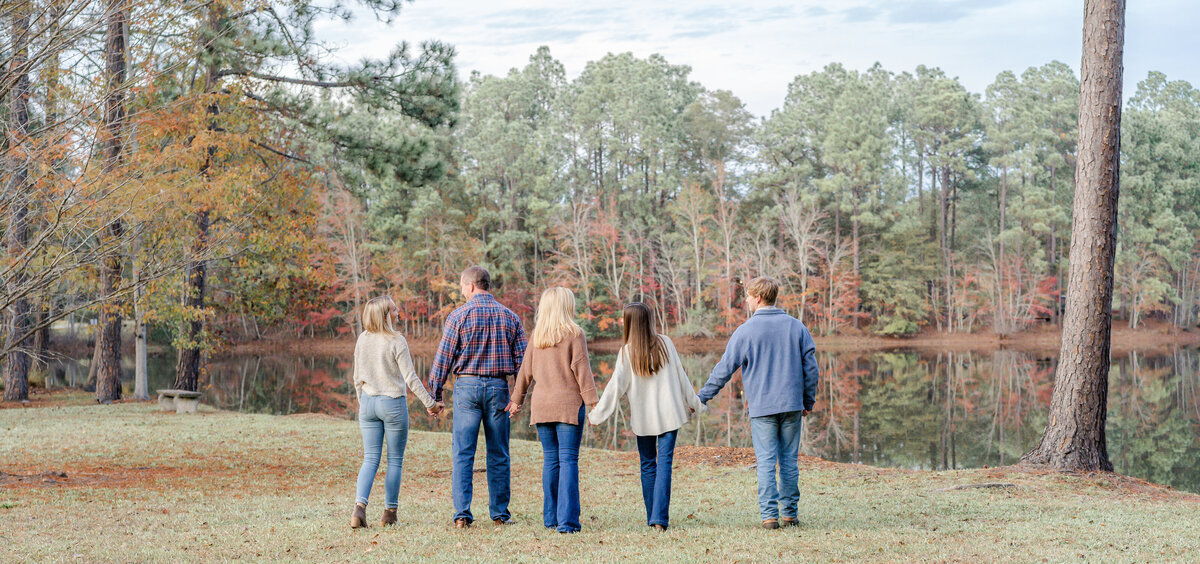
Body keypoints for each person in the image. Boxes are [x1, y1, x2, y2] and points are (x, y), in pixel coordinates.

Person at [697, 276, 820, 530]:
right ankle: (790, 514)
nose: (746, 300)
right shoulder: (796, 327)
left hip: (762, 408)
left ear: (759, 298)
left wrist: (702, 397)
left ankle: (769, 517)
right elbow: (812, 369)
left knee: (765, 460)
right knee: (788, 460)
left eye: (749, 296)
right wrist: (808, 401)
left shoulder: (745, 331)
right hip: (792, 405)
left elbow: (724, 370)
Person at [588, 302, 705, 531]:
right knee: (664, 464)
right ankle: (659, 519)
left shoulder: (627, 352)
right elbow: (682, 378)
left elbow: (614, 389)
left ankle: (654, 518)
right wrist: (695, 404)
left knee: (648, 465)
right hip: (670, 415)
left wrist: (596, 416)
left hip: (644, 419)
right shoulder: (666, 343)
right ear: (649, 320)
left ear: (630, 322)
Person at [429, 266, 528, 528]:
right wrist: (518, 397)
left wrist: (435, 395)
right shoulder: (510, 317)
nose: (462, 291)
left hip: (467, 388)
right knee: (499, 453)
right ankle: (499, 515)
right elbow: (524, 363)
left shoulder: (458, 316)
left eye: (462, 286)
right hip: (498, 388)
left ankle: (462, 515)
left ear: (472, 286)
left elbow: (442, 360)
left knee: (463, 453)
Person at [505, 287, 598, 533]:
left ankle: (551, 519)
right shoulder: (574, 334)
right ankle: (567, 523)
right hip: (568, 406)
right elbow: (582, 371)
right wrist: (593, 404)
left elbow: (525, 372)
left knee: (551, 461)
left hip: (543, 407)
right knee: (568, 460)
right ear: (566, 306)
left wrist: (517, 401)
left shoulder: (538, 336)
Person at [350, 295, 444, 529]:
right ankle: (389, 514)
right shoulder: (396, 340)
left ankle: (358, 510)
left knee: (370, 458)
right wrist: (430, 404)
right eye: (393, 309)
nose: (398, 311)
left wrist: (363, 404)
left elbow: (355, 378)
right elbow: (410, 378)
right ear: (384, 315)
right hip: (392, 404)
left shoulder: (362, 339)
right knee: (395, 461)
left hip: (369, 403)